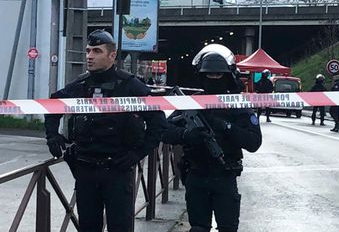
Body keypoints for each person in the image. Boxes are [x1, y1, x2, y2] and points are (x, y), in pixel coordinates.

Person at [44, 29, 166, 232]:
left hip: (117, 171)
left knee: (120, 227)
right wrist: (52, 135)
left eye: (97, 51)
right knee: (88, 227)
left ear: (112, 55)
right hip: (85, 170)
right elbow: (51, 105)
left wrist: (137, 154)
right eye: (88, 51)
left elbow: (159, 124)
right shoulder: (81, 85)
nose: (90, 56)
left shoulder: (130, 86)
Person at [161, 44, 262, 232]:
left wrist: (226, 126)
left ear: (227, 76)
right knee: (198, 228)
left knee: (228, 228)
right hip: (196, 174)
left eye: (218, 75)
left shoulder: (236, 104)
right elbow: (164, 130)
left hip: (225, 175)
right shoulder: (191, 103)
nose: (214, 79)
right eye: (209, 75)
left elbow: (254, 142)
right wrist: (186, 135)